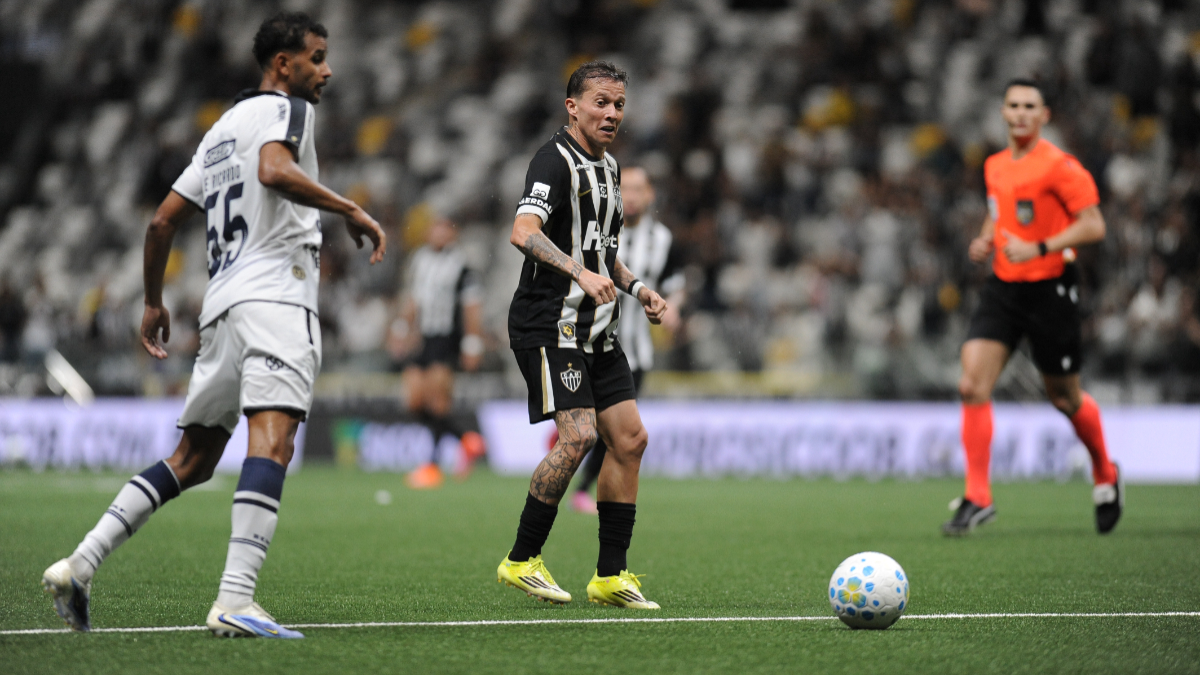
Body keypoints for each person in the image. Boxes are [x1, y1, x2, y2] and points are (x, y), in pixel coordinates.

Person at [41, 12, 386, 638]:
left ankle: (80, 563)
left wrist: (152, 301)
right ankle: (235, 599)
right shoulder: (289, 112)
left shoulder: (222, 129)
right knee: (273, 438)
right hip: (276, 299)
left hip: (221, 306)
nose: (327, 70)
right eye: (316, 57)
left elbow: (161, 222)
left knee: (193, 458)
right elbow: (275, 172)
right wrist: (348, 207)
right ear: (283, 64)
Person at [496, 61, 668, 609]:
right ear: (573, 106)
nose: (612, 113)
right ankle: (521, 559)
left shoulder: (612, 168)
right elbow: (523, 232)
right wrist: (578, 273)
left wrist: (637, 288)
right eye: (600, 102)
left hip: (598, 330)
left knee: (632, 440)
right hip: (550, 323)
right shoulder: (553, 161)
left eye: (618, 104)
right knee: (578, 437)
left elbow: (604, 252)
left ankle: (610, 576)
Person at [945, 79, 1121, 536]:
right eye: (1013, 105)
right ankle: (978, 497)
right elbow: (999, 211)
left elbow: (1094, 226)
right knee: (971, 384)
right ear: (1002, 112)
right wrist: (987, 238)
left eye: (1030, 106)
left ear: (1044, 117)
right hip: (1004, 286)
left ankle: (1105, 471)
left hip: (1051, 288)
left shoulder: (1061, 167)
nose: (1021, 113)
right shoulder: (995, 165)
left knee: (1064, 397)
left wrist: (1041, 245)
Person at [563, 166, 685, 514]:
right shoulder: (596, 229)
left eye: (638, 190)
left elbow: (675, 284)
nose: (630, 196)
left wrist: (673, 307)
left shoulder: (662, 239)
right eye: (625, 189)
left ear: (650, 196)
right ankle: (584, 486)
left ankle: (588, 491)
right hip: (586, 340)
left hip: (634, 352)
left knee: (617, 432)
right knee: (596, 429)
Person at [388, 217, 487, 489]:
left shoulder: (462, 267)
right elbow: (413, 299)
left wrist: (472, 344)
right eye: (435, 228)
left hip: (446, 339)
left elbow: (471, 308)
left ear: (452, 234)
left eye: (444, 229)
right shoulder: (419, 260)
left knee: (437, 402)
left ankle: (431, 466)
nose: (438, 234)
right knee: (414, 401)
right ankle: (465, 439)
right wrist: (400, 328)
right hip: (422, 339)